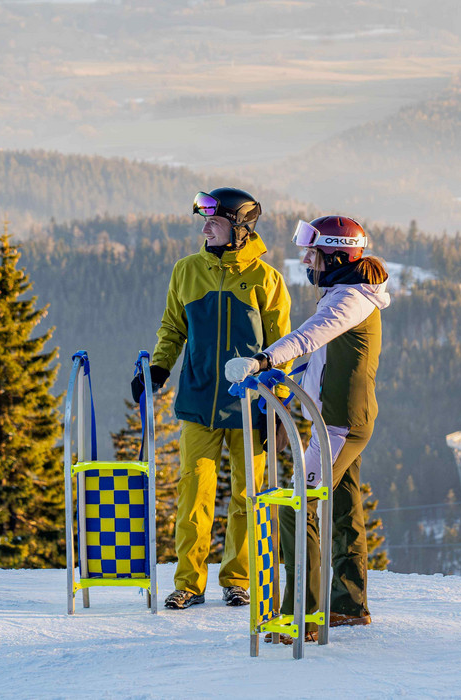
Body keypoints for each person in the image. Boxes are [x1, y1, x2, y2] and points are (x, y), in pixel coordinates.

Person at [225, 214, 389, 640]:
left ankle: (302, 615)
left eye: (312, 254)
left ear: (335, 256)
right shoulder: (347, 292)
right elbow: (323, 359)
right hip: (339, 420)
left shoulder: (348, 299)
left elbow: (308, 337)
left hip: (338, 426)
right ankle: (349, 605)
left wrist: (262, 360)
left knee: (296, 507)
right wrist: (285, 376)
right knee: (344, 509)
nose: (305, 262)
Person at [134, 187, 291, 610]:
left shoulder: (267, 280)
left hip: (251, 405)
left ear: (240, 229)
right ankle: (189, 582)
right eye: (204, 221)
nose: (205, 229)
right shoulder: (187, 270)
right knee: (193, 495)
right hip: (199, 400)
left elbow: (283, 347)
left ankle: (237, 580)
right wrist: (159, 368)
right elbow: (173, 327)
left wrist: (277, 404)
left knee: (247, 497)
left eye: (215, 222)